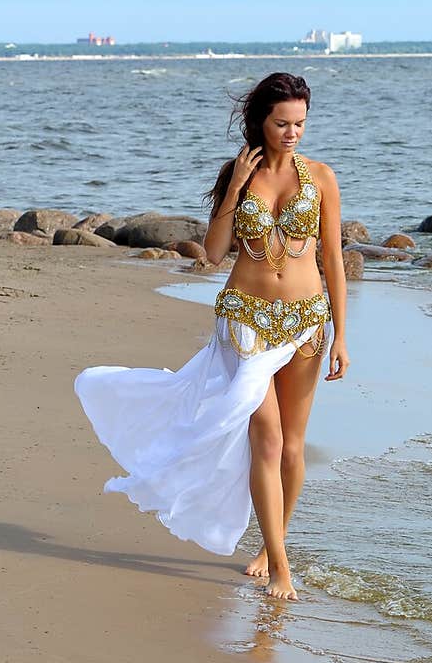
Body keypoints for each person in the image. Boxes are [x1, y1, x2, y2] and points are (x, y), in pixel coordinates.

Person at [75, 72, 349, 601]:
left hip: (306, 325)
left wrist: (341, 333)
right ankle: (283, 571)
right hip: (245, 323)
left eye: (300, 124)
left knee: (292, 445)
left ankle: (273, 545)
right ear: (260, 122)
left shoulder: (320, 177)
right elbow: (216, 252)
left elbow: (333, 258)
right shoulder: (238, 173)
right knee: (265, 438)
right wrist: (232, 192)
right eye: (282, 123)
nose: (292, 133)